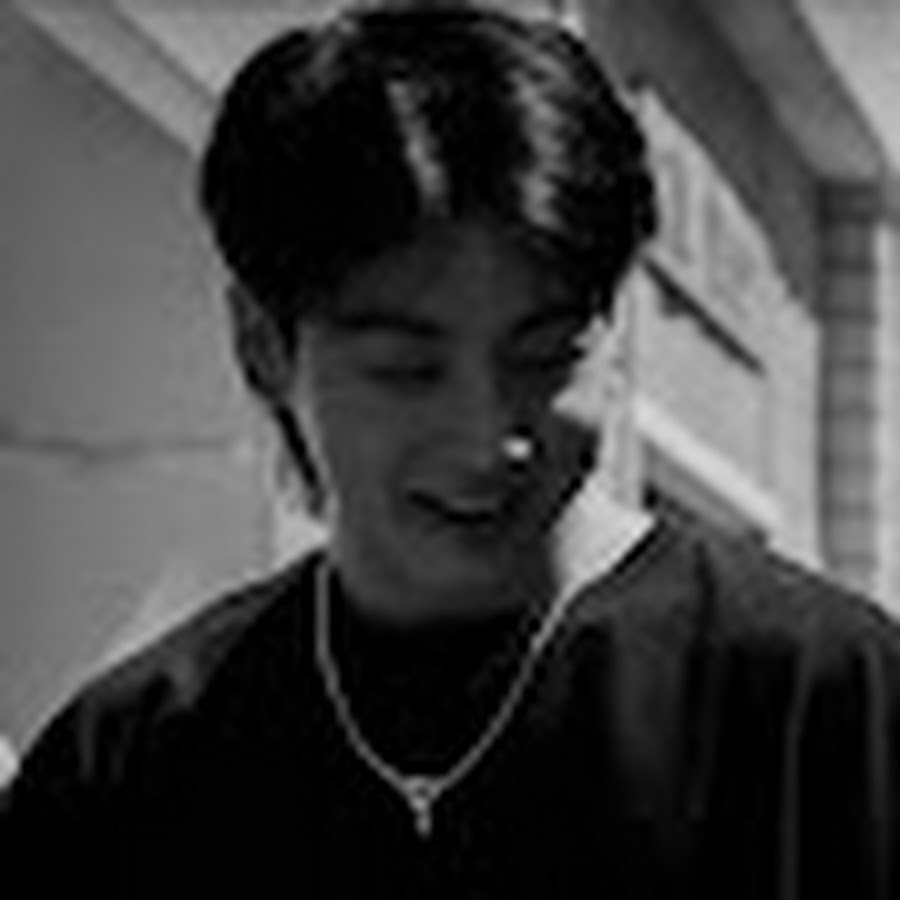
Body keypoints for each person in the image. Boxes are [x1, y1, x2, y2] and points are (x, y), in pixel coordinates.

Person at [4, 2, 900, 897]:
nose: (488, 437)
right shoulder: (124, 769)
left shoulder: (822, 703)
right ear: (265, 346)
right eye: (407, 369)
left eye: (545, 356)